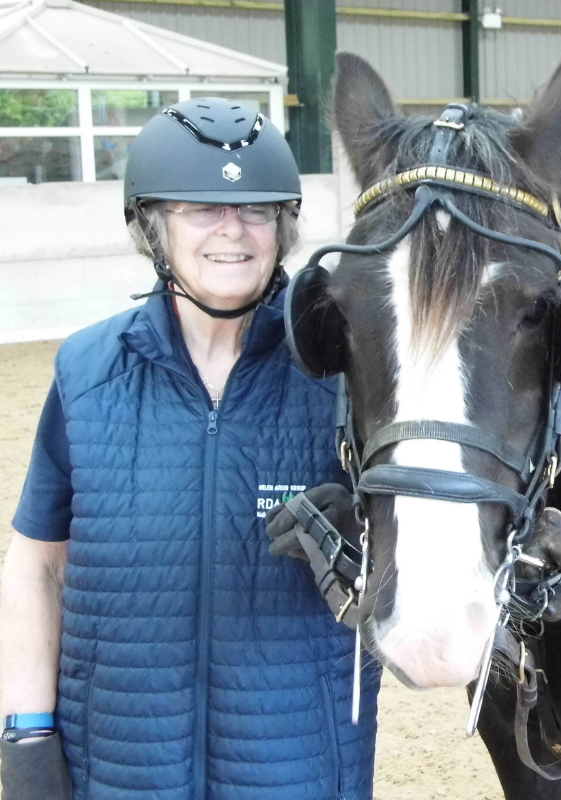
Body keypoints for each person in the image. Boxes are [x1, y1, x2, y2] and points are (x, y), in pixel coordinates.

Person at [0, 98, 379, 800]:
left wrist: (372, 550)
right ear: (153, 225)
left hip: (296, 769)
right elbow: (37, 563)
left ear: (284, 226)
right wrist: (26, 732)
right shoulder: (87, 373)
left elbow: (425, 579)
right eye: (202, 209)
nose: (233, 231)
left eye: (257, 210)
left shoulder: (346, 372)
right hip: (117, 770)